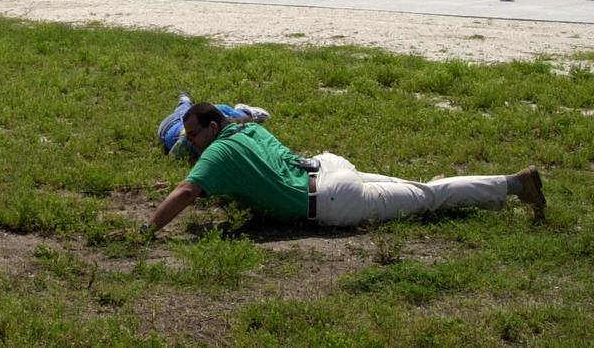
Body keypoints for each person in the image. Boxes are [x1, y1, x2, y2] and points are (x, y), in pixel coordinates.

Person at [145, 103, 545, 236]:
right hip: (329, 168)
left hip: (332, 200)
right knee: (415, 189)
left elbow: (185, 193)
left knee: (429, 196)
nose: (190, 143)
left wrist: (146, 231)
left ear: (213, 128)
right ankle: (491, 198)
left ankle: (513, 185)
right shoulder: (247, 129)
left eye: (193, 135)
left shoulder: (216, 154)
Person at [156, 91, 270, 160]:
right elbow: (173, 157)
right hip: (172, 123)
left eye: (193, 136)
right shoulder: (186, 140)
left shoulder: (228, 129)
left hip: (202, 119)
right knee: (184, 106)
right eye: (189, 137)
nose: (191, 140)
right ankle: (184, 97)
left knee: (222, 112)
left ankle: (244, 112)